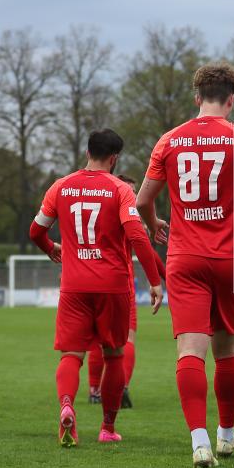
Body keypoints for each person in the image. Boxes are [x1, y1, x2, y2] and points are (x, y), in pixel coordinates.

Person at [136, 62, 234, 468]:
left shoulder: (170, 140)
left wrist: (155, 221)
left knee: (190, 350)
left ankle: (200, 442)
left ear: (196, 98)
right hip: (231, 259)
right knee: (228, 351)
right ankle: (226, 435)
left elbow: (141, 201)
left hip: (185, 258)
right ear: (231, 99)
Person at [29, 129, 163, 447]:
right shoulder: (119, 189)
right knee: (114, 355)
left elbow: (35, 231)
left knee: (71, 355)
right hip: (113, 286)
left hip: (74, 286)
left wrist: (51, 249)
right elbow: (137, 236)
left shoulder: (60, 187)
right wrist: (155, 282)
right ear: (114, 158)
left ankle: (66, 406)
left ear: (89, 151)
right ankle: (107, 428)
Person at [85, 174, 166, 409]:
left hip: (89, 281)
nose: (132, 196)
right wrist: (162, 278)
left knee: (98, 341)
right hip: (120, 285)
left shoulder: (95, 212)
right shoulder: (128, 219)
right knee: (125, 339)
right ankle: (121, 387)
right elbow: (146, 251)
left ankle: (94, 391)